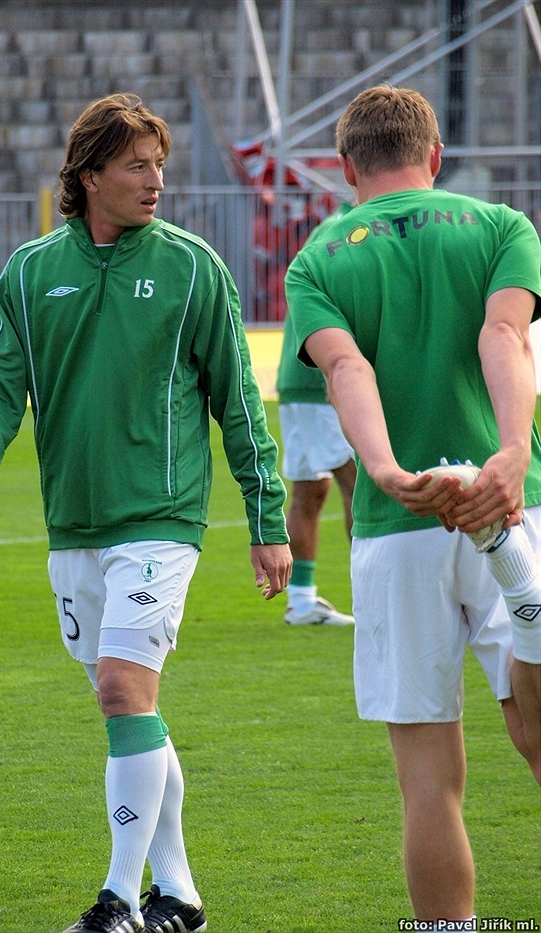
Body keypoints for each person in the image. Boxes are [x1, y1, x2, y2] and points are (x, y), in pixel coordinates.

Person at [0, 93, 292, 933]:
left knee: (121, 689)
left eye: (159, 163)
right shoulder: (31, 273)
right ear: (88, 174)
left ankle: (118, 900)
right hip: (74, 528)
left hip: (163, 518)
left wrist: (268, 517)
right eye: (137, 164)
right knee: (131, 709)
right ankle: (178, 896)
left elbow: (239, 403)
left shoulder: (191, 267)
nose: (156, 180)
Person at [285, 85, 540, 927]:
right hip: (511, 504)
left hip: (402, 526)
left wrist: (388, 471)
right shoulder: (502, 227)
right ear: (433, 156)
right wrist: (508, 452)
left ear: (346, 167)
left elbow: (345, 369)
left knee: (429, 779)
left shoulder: (319, 256)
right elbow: (503, 336)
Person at [278, 202, 356, 626]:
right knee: (360, 483)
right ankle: (373, 594)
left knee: (311, 490)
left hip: (300, 377)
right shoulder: (348, 230)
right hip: (322, 379)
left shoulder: (334, 226)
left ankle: (303, 601)